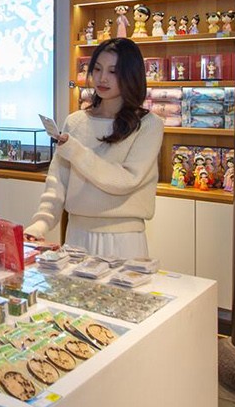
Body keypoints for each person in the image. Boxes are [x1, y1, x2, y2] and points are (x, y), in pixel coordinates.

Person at [24, 37, 164, 258]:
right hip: (77, 234)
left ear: (131, 75)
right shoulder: (75, 121)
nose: (102, 78)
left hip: (124, 239)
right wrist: (41, 222)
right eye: (97, 69)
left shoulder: (149, 124)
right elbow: (58, 179)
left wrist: (77, 152)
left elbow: (126, 180)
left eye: (113, 71)